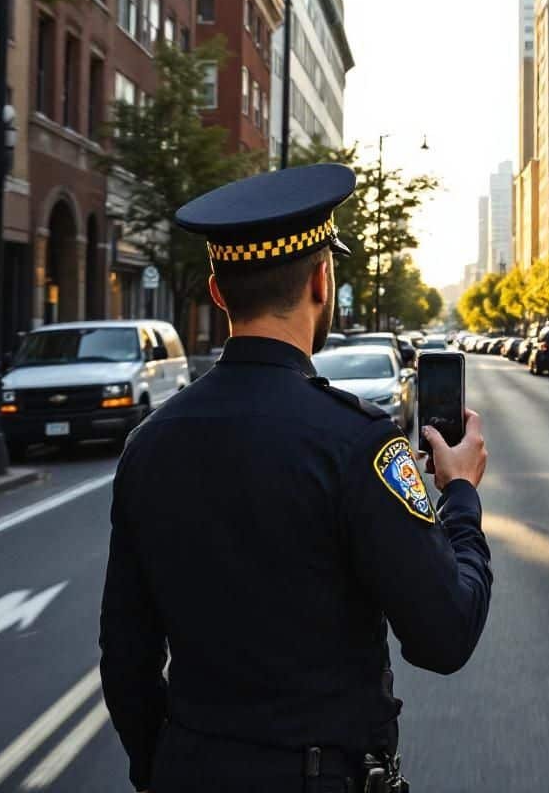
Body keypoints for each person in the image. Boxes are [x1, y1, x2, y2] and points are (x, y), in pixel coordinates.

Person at [99, 164, 494, 793]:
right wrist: (462, 497)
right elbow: (444, 635)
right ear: (320, 279)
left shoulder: (148, 446)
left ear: (218, 293)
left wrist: (167, 771)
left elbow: (126, 662)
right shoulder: (360, 442)